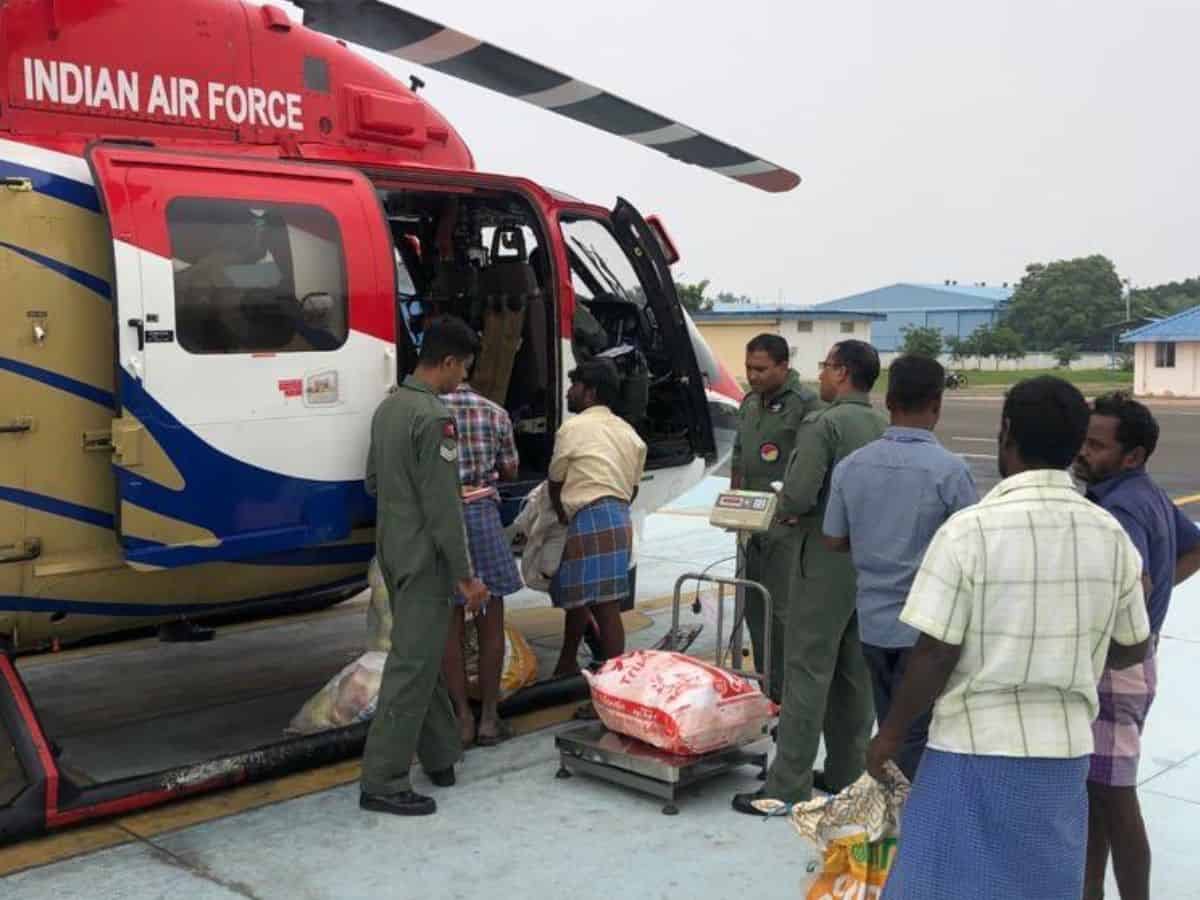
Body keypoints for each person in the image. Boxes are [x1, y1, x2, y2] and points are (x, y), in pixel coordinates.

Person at [867, 376, 1152, 900]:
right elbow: (1135, 645)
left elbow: (933, 652)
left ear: (1006, 435)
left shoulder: (969, 531)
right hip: (1062, 755)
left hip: (970, 748)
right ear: (1074, 444)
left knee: (937, 884)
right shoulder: (1109, 533)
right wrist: (1070, 651)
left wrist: (890, 734)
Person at [733, 340, 886, 814]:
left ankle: (787, 784)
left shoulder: (824, 422)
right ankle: (846, 771)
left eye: (826, 367)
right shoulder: (882, 426)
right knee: (853, 673)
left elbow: (798, 495)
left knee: (805, 671)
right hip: (868, 561)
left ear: (841, 373)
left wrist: (781, 511)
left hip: (820, 557)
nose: (820, 375)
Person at [821, 354, 977, 781]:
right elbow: (972, 550)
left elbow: (832, 538)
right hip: (928, 632)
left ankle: (893, 817)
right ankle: (913, 826)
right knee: (920, 735)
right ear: (937, 405)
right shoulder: (951, 472)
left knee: (889, 720)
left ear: (888, 402)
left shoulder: (852, 466)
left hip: (873, 624)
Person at [360, 317, 490, 818]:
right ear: (451, 361)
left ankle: (441, 755)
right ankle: (384, 780)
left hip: (392, 551)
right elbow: (443, 507)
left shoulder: (389, 408)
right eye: (464, 370)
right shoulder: (435, 418)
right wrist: (465, 575)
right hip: (425, 561)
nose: (463, 381)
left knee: (425, 652)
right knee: (412, 665)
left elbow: (374, 481)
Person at [1073, 392, 1200, 900]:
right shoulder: (1143, 492)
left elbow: (1137, 583)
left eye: (1096, 445)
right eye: (1084, 440)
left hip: (1114, 670)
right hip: (1134, 661)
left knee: (1115, 800)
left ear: (1134, 455)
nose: (1083, 452)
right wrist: (1155, 608)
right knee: (1097, 798)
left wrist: (1135, 617)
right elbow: (1193, 546)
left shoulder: (1120, 507)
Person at [731, 333, 822, 703]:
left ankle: (788, 692)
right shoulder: (750, 403)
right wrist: (733, 500)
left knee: (784, 612)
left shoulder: (806, 406)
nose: (753, 376)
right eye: (749, 368)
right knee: (753, 606)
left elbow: (812, 464)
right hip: (750, 523)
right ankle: (768, 687)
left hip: (786, 526)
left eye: (762, 369)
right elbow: (740, 455)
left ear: (784, 366)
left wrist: (794, 510)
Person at [547, 358, 647, 679]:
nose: (568, 393)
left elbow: (555, 480)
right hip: (619, 517)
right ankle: (567, 663)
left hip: (589, 515)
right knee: (585, 599)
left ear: (589, 392)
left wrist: (563, 515)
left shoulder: (573, 429)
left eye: (574, 386)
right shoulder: (629, 433)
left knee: (601, 606)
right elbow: (631, 488)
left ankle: (612, 683)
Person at [440, 379, 524, 748]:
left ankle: (461, 717)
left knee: (449, 622)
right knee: (492, 621)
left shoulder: (426, 411)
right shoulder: (495, 412)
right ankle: (489, 716)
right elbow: (511, 471)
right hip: (483, 518)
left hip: (442, 518)